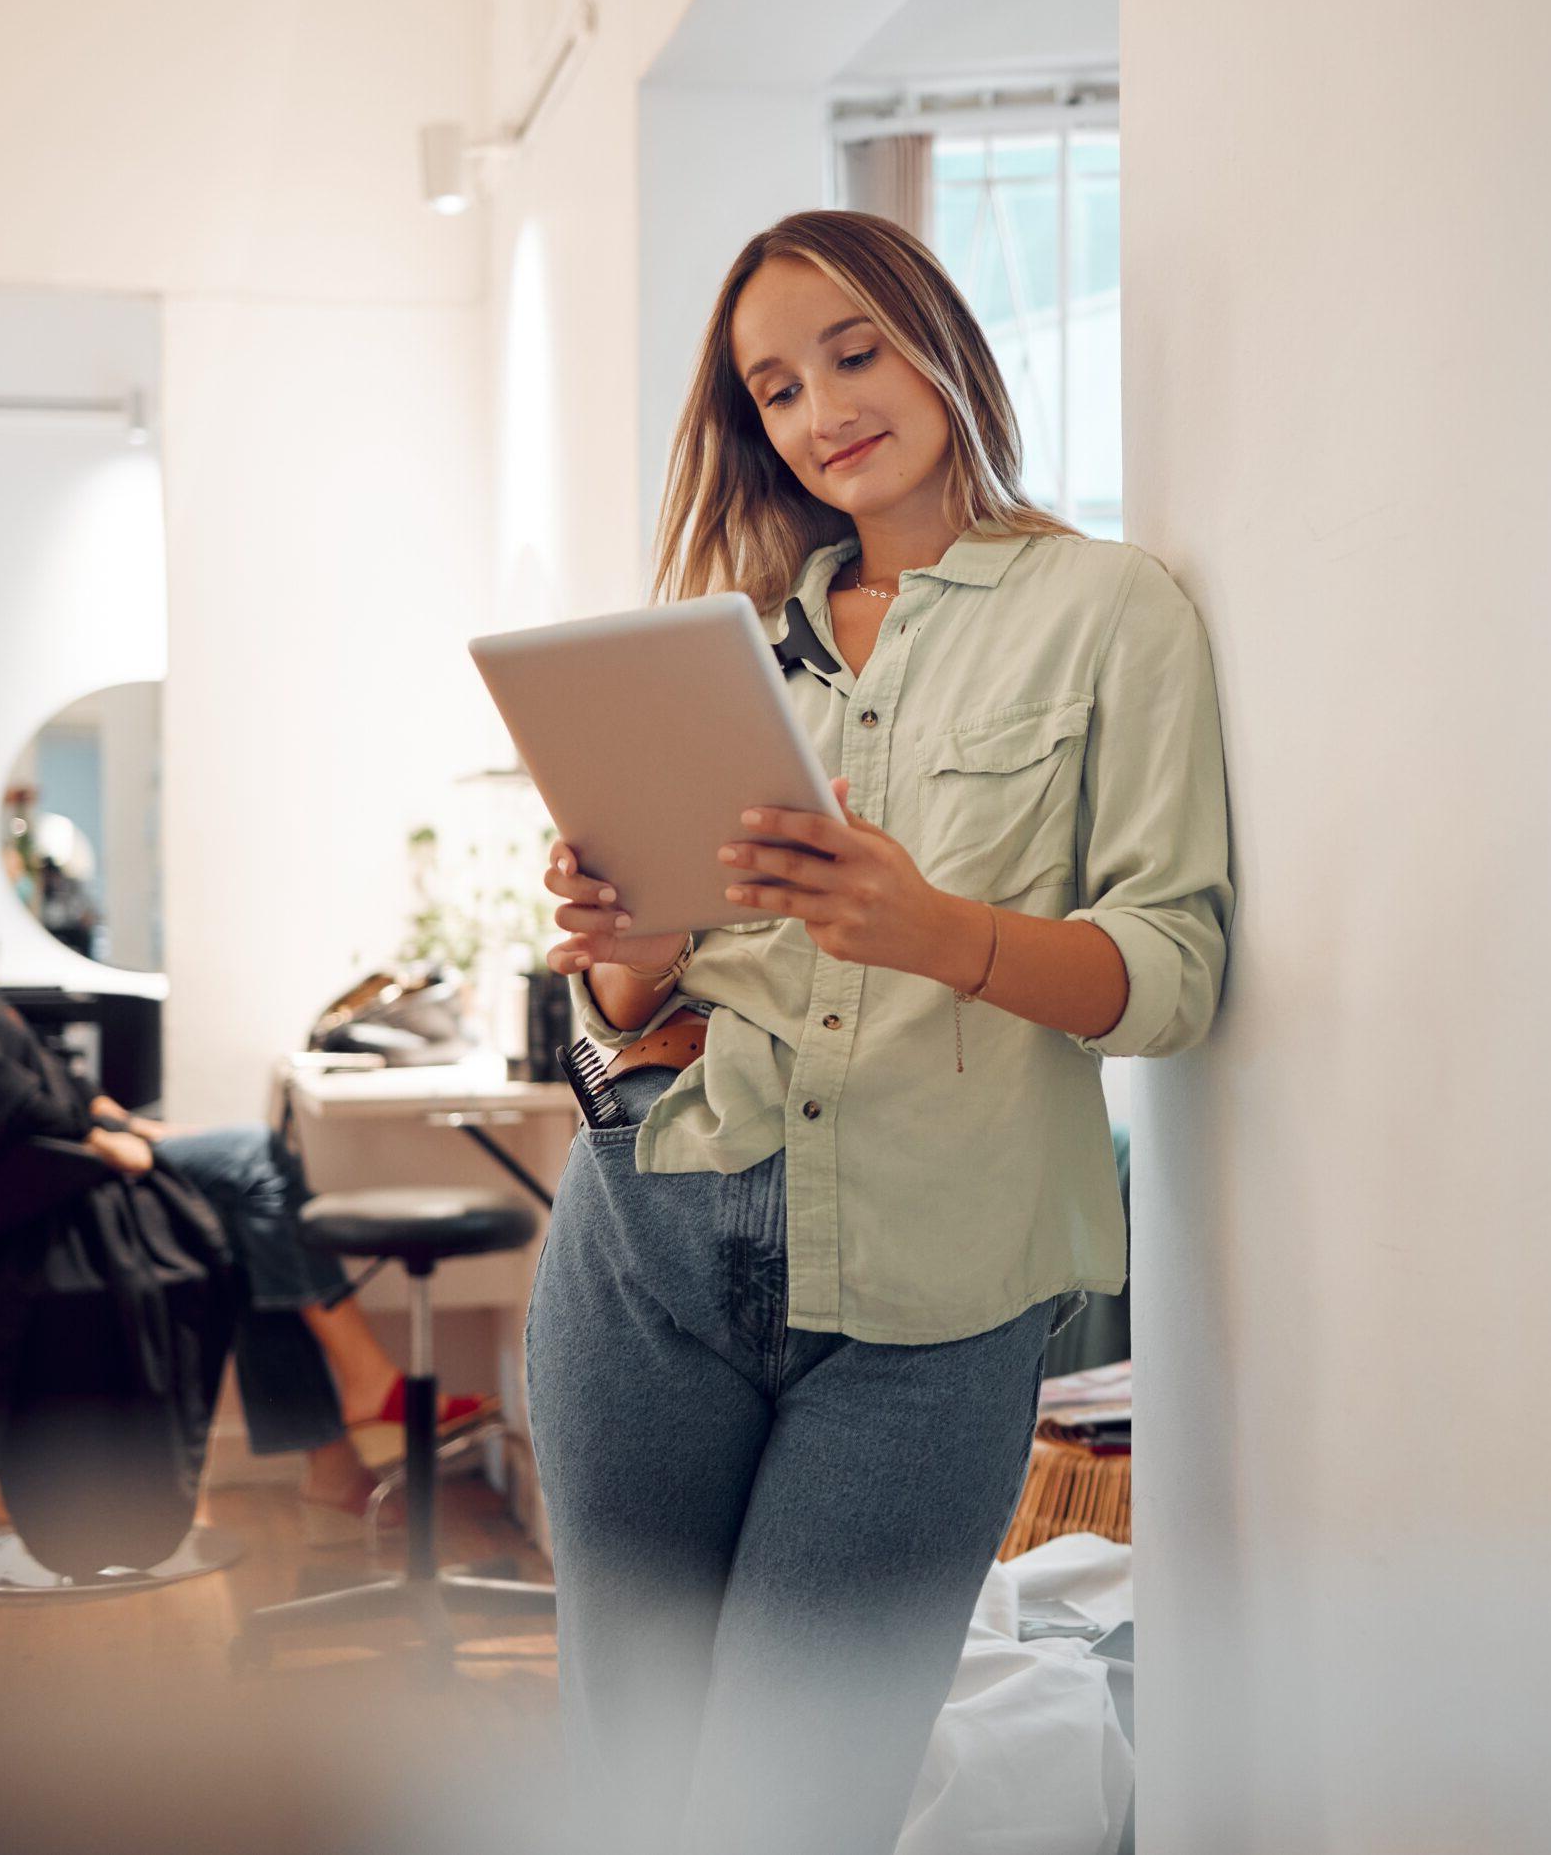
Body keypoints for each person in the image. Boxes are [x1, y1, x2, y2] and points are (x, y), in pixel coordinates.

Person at [526, 211, 1232, 1853]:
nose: (823, 408)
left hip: (932, 1295)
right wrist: (622, 961)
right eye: (775, 387)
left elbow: (1174, 968)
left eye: (853, 350)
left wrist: (938, 932)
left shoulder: (1112, 611)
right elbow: (641, 1018)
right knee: (629, 1785)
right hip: (650, 1251)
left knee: (791, 1807)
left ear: (942, 340)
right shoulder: (727, 642)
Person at [0, 771, 487, 1519]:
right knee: (256, 1166)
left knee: (255, 1212)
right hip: (30, 1207)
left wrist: (128, 1124)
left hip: (66, 1164)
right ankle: (359, 1391)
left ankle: (335, 1450)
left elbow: (38, 1075)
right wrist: (104, 1141)